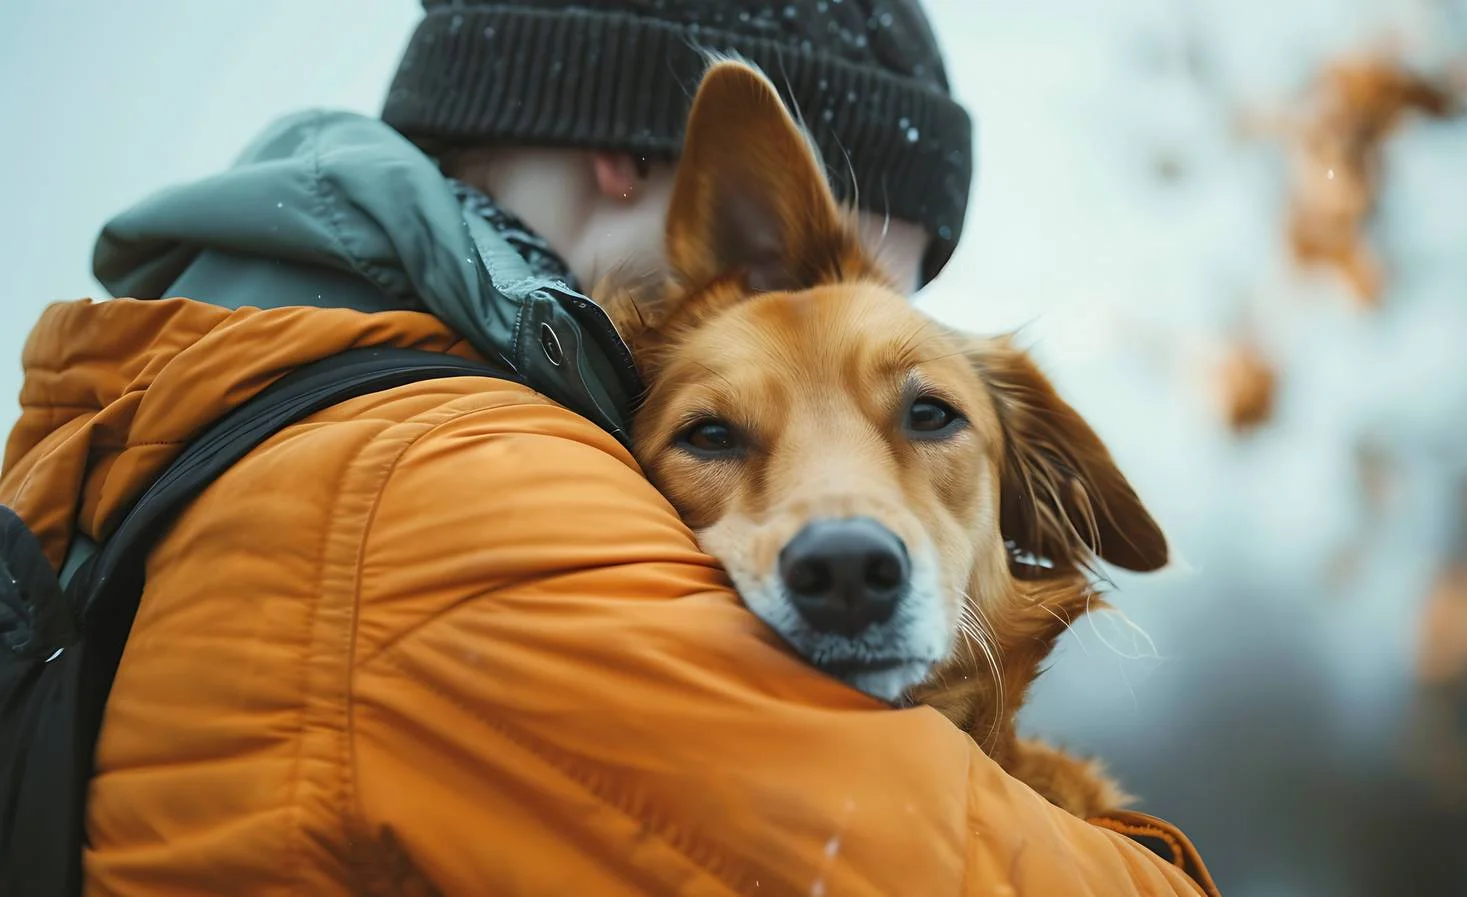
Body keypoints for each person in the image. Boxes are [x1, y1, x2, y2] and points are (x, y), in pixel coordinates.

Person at [1, 1, 1217, 893]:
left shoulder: (299, 405)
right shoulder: (432, 483)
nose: (842, 295)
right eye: (831, 253)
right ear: (657, 163)